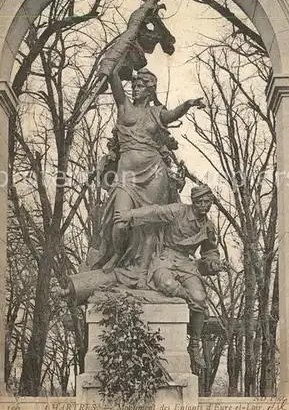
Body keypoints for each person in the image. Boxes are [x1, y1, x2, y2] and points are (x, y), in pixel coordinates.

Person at [92, 67, 205, 273]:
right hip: (126, 176)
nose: (135, 89)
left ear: (150, 90)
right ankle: (117, 254)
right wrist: (120, 56)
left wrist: (188, 104)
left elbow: (172, 115)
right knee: (119, 222)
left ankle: (144, 270)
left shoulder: (156, 112)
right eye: (134, 85)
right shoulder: (124, 106)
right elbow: (113, 76)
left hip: (154, 172)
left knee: (149, 223)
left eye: (140, 86)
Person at [113, 182, 221, 374]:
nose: (204, 205)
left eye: (208, 202)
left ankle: (194, 344)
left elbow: (210, 251)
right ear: (193, 202)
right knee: (167, 284)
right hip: (165, 257)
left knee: (200, 297)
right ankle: (195, 309)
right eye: (200, 202)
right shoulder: (178, 211)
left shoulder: (209, 227)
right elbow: (155, 212)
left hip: (186, 264)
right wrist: (130, 215)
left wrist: (212, 262)